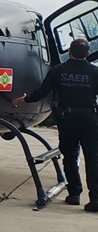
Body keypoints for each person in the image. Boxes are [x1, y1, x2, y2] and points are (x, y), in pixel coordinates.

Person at [14, 37, 98, 209]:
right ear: (87, 53)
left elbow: (43, 91)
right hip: (90, 119)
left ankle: (74, 194)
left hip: (67, 119)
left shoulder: (59, 70)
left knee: (70, 157)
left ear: (70, 52)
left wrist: (25, 100)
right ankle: (95, 199)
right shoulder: (94, 72)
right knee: (93, 159)